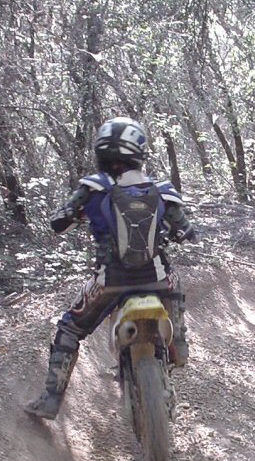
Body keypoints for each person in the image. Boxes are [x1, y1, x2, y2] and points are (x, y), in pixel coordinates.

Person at [25, 116, 196, 420]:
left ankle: (51, 399)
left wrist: (76, 216)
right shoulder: (162, 190)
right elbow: (187, 232)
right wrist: (173, 231)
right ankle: (178, 345)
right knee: (176, 284)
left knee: (69, 328)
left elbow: (59, 221)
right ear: (139, 151)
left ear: (101, 152)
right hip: (157, 279)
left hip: (109, 281)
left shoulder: (92, 188)